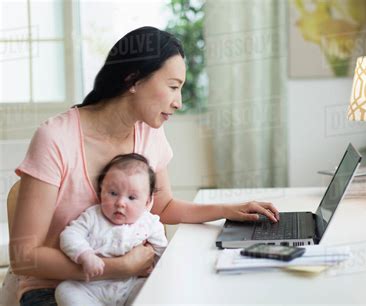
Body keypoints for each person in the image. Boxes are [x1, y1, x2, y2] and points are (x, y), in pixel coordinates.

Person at [2, 26, 279, 306]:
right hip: (57, 289)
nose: (178, 102)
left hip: (126, 284)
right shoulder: (56, 138)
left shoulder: (149, 131)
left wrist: (227, 211)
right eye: (173, 87)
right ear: (133, 80)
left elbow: (163, 205)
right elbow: (24, 257)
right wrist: (119, 267)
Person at [54, 153, 167, 306]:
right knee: (64, 290)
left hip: (129, 287)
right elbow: (69, 235)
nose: (120, 203)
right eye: (113, 193)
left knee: (155, 289)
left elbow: (163, 252)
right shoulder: (92, 216)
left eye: (132, 198)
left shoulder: (149, 223)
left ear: (147, 200)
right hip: (90, 288)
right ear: (101, 192)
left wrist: (159, 270)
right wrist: (85, 255)